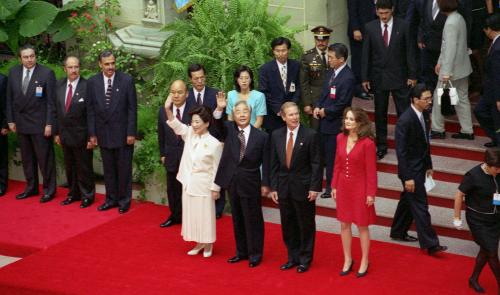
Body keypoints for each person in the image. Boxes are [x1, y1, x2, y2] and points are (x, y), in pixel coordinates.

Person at [390, 84, 447, 255]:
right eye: (426, 99)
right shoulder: (405, 120)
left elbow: (424, 142)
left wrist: (428, 165)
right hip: (410, 171)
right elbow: (401, 152)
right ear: (415, 100)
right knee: (421, 205)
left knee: (408, 200)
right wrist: (407, 177)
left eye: (430, 98)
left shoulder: (424, 115)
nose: (430, 101)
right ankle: (431, 244)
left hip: (420, 166)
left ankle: (398, 231)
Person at [163, 92, 223, 258]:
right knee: (193, 215)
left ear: (206, 123)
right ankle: (199, 242)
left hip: (205, 185)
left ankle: (209, 243)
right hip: (189, 183)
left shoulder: (215, 144)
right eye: (193, 122)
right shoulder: (189, 133)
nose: (194, 125)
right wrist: (167, 108)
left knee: (206, 216)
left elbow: (217, 168)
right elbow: (175, 124)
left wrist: (215, 188)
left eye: (197, 122)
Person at [214, 98, 270, 268]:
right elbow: (216, 123)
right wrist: (219, 108)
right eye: (238, 112)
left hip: (251, 182)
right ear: (233, 115)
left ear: (250, 114)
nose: (242, 115)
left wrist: (265, 184)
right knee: (237, 218)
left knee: (253, 218)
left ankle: (255, 254)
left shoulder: (262, 136)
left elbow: (267, 163)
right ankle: (241, 252)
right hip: (232, 182)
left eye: (245, 112)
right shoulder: (229, 130)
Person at [270, 102, 322, 273]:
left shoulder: (311, 135)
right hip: (284, 188)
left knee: (305, 224)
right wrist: (274, 187)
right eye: (290, 115)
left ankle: (305, 259)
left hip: (304, 188)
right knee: (288, 224)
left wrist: (315, 187)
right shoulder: (276, 135)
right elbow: (274, 164)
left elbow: (316, 163)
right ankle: (292, 257)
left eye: (296, 114)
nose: (294, 117)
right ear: (283, 117)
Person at [361, 0, 417, 160]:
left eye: (386, 13)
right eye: (380, 13)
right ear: (376, 11)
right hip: (379, 77)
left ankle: (406, 145)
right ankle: (381, 145)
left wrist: (412, 74)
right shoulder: (370, 27)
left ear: (392, 10)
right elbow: (366, 54)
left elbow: (410, 51)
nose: (383, 16)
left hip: (400, 76)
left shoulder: (403, 25)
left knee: (404, 112)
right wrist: (364, 77)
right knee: (380, 114)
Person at [87, 50, 137, 214]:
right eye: (107, 64)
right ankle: (111, 199)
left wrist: (131, 133)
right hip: (103, 133)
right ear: (100, 64)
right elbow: (91, 110)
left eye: (113, 63)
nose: (110, 67)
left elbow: (132, 109)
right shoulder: (93, 82)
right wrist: (92, 134)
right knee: (108, 169)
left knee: (123, 169)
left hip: (123, 134)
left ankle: (124, 201)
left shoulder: (126, 80)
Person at [6, 44, 57, 202]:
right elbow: (10, 98)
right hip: (21, 123)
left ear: (36, 56)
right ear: (20, 59)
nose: (29, 59)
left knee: (44, 159)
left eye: (32, 56)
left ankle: (49, 190)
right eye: (26, 57)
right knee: (27, 159)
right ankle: (31, 188)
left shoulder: (46, 73)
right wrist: (10, 119)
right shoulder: (13, 72)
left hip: (40, 124)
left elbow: (51, 102)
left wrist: (49, 123)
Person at [332, 107, 377, 278]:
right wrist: (334, 186)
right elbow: (337, 164)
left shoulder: (368, 143)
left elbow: (371, 171)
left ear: (360, 123)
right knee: (344, 224)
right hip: (343, 186)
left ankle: (365, 260)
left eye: (351, 119)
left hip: (360, 188)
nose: (347, 121)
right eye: (346, 118)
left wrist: (370, 193)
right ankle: (347, 259)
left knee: (362, 225)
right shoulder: (340, 138)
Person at [453, 148, 500, 294]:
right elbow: (459, 195)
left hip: (495, 218)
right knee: (492, 253)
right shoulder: (473, 175)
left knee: (486, 250)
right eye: (496, 168)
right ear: (487, 164)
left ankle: (473, 279)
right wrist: (456, 218)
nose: (498, 171)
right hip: (478, 220)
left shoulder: (498, 171)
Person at [314, 43, 356, 199]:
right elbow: (323, 94)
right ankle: (317, 183)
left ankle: (331, 186)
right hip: (323, 121)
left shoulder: (348, 77)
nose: (328, 60)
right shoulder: (330, 73)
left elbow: (343, 103)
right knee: (320, 155)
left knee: (332, 157)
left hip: (335, 123)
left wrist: (326, 111)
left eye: (331, 57)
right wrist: (318, 107)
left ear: (341, 59)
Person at [54, 56, 95, 208]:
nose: (73, 70)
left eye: (76, 67)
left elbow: (91, 112)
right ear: (65, 69)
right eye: (70, 67)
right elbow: (56, 111)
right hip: (65, 134)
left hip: (82, 135)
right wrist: (57, 133)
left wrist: (92, 136)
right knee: (70, 167)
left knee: (84, 167)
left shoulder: (87, 86)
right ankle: (73, 194)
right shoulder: (59, 85)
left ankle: (87, 196)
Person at [430, 0, 474, 140]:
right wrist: (439, 62)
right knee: (462, 99)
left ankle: (437, 129)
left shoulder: (450, 23)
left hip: (451, 70)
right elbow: (450, 46)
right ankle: (467, 130)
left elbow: (449, 48)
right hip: (462, 67)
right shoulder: (458, 18)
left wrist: (445, 71)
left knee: (438, 98)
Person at [187, 63, 225, 218]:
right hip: (193, 142)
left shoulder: (215, 94)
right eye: (196, 78)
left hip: (214, 141)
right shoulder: (186, 95)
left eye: (202, 77)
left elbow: (222, 121)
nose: (200, 81)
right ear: (190, 79)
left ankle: (217, 210)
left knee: (216, 173)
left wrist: (220, 110)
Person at [158, 80, 194, 227]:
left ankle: (190, 217)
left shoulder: (195, 110)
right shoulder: (163, 110)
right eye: (173, 92)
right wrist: (162, 153)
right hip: (171, 154)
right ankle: (175, 215)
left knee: (188, 188)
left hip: (188, 155)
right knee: (172, 188)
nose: (176, 95)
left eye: (179, 92)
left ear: (186, 94)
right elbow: (161, 133)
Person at [259, 37, 301, 133]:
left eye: (283, 50)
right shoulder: (265, 69)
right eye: (277, 51)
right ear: (273, 51)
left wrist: (291, 106)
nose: (280, 54)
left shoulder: (296, 66)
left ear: (289, 50)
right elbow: (264, 91)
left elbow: (299, 87)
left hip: (292, 115)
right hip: (273, 116)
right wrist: (279, 109)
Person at [474, 13, 500, 148]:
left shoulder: (497, 49)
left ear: (489, 29)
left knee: (497, 121)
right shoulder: (495, 44)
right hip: (490, 91)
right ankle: (496, 138)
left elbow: (497, 75)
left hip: (495, 93)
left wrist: (498, 99)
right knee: (480, 111)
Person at [300, 25, 332, 130]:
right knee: (315, 130)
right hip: (315, 99)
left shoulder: (334, 53)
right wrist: (307, 103)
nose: (321, 42)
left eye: (324, 39)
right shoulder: (307, 56)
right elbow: (304, 82)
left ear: (328, 39)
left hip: (331, 98)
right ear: (315, 39)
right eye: (318, 39)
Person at [347, 0, 378, 100]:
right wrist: (355, 28)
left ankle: (369, 86)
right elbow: (352, 9)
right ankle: (359, 89)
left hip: (374, 28)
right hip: (359, 30)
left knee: (372, 59)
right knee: (358, 61)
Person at [0, 73, 7, 197]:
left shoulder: (2, 79)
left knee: (0, 156)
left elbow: (7, 104)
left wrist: (6, 124)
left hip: (0, 125)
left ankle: (1, 185)